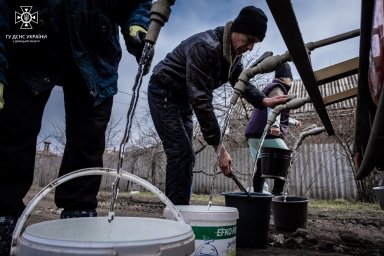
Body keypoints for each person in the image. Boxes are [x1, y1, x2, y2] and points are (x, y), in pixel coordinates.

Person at [0, 1, 151, 254]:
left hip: (95, 49)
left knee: (89, 140)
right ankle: (3, 215)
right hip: (30, 43)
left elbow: (135, 3)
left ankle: (79, 214)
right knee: (13, 131)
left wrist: (137, 23)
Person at [147, 6, 290, 205]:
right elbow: (202, 102)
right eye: (249, 40)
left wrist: (261, 100)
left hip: (183, 98)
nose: (250, 47)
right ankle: (175, 216)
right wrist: (220, 149)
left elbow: (241, 81)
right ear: (236, 29)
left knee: (186, 156)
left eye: (255, 44)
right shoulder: (204, 47)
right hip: (164, 91)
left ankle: (180, 208)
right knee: (181, 153)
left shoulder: (233, 54)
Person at [245, 62, 302, 196]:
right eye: (290, 78)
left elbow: (278, 113)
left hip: (253, 135)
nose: (292, 81)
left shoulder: (270, 88)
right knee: (285, 159)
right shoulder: (278, 88)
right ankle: (277, 194)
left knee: (260, 165)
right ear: (283, 78)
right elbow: (274, 108)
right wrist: (274, 125)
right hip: (265, 132)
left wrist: (294, 122)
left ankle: (257, 195)